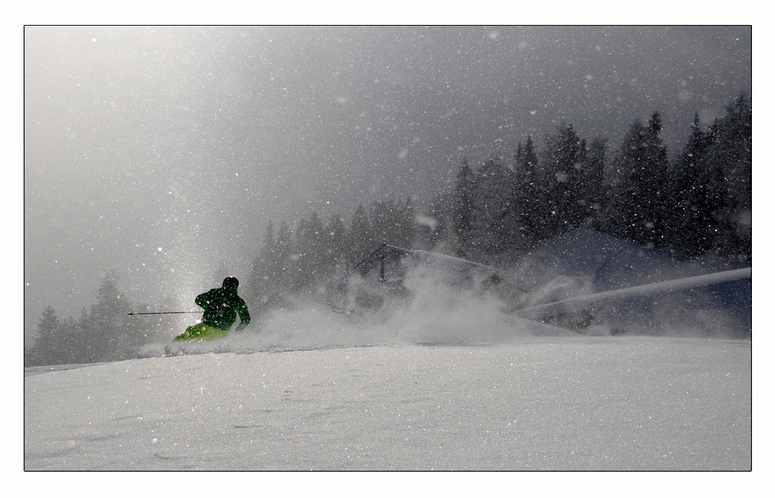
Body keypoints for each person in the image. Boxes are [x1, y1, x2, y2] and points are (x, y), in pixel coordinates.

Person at [174, 276, 251, 341]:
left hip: (206, 326)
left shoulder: (215, 293)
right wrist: (238, 330)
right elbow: (246, 320)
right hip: (222, 332)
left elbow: (198, 299)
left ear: (223, 284)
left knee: (186, 337)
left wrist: (208, 308)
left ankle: (173, 348)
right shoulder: (238, 301)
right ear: (236, 287)